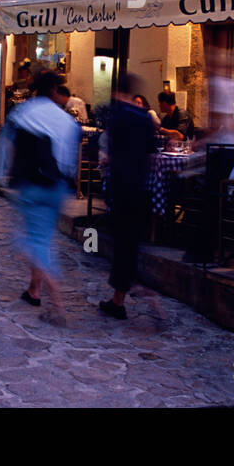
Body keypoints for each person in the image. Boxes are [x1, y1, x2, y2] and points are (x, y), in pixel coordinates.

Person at [0, 70, 80, 326]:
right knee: (43, 237)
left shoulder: (23, 112)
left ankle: (58, 302)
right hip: (56, 187)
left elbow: (5, 144)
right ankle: (34, 290)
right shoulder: (66, 121)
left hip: (31, 186)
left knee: (31, 242)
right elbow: (68, 160)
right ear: (55, 90)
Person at [98, 73, 157, 321]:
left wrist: (108, 160)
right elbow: (151, 152)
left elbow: (112, 151)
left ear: (116, 91)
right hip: (140, 187)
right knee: (128, 242)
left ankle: (131, 294)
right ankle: (121, 295)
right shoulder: (145, 118)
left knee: (123, 243)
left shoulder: (117, 115)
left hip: (121, 187)